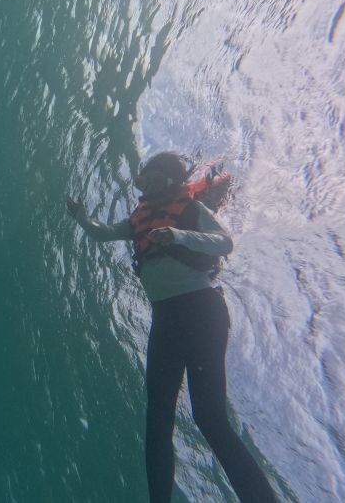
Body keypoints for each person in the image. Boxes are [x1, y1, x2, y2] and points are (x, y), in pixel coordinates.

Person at [67, 151, 276, 503]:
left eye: (153, 180)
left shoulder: (191, 209)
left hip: (202, 310)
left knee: (209, 418)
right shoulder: (139, 220)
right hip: (166, 318)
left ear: (170, 181)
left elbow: (224, 241)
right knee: (158, 419)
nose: (146, 187)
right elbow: (105, 233)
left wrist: (178, 236)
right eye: (143, 181)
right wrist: (82, 217)